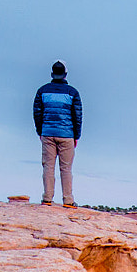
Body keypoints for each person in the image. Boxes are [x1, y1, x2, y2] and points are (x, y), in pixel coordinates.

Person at [33, 61, 82, 207]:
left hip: (47, 133)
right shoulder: (73, 92)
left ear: (52, 73)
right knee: (66, 168)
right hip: (67, 134)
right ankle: (68, 200)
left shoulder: (42, 91)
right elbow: (78, 116)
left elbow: (37, 113)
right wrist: (76, 136)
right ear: (65, 74)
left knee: (48, 166)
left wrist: (40, 131)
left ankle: (47, 198)